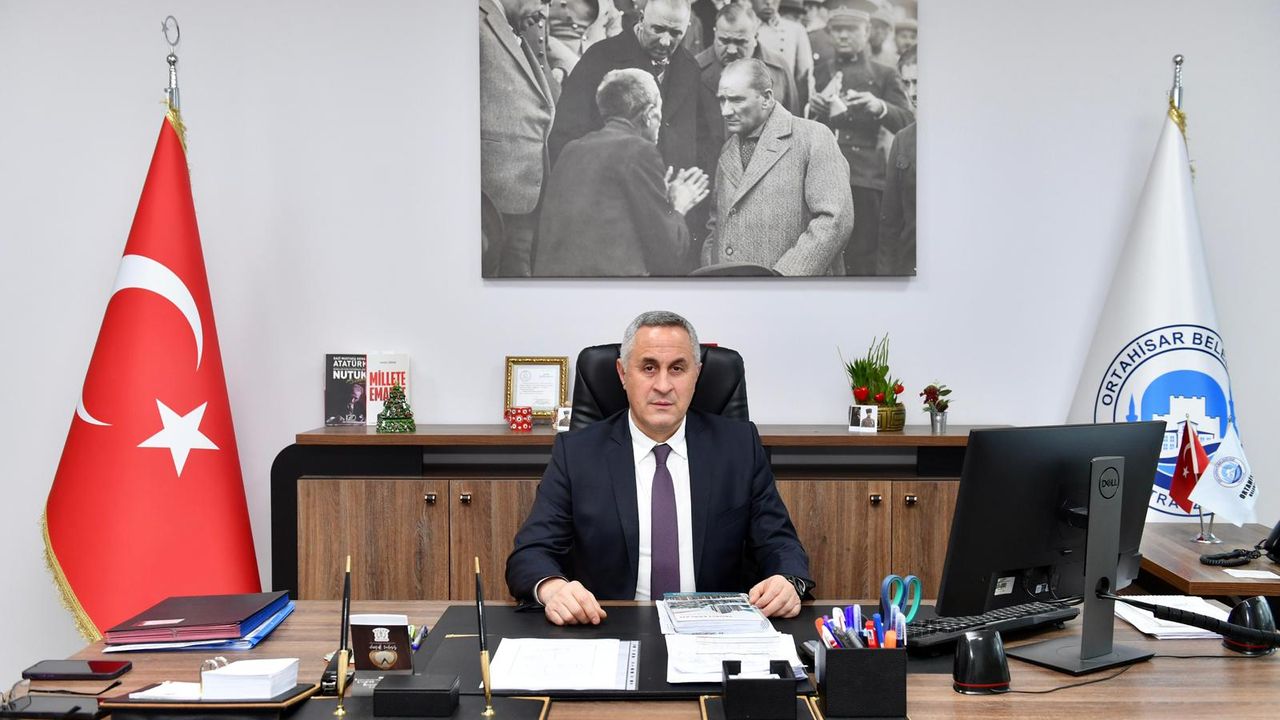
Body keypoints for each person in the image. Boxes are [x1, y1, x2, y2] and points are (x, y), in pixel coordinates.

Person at [506, 311, 814, 625]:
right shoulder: (577, 453)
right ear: (623, 373)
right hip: (607, 625)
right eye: (649, 368)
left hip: (716, 627)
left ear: (696, 374)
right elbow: (531, 553)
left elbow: (780, 543)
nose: (663, 385)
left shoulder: (739, 447)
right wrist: (554, 589)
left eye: (677, 368)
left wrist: (787, 581)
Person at [534, 70, 710, 275]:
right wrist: (678, 207)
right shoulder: (639, 151)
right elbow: (669, 255)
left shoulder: (571, 149)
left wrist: (661, 200)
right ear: (649, 115)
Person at [703, 59, 853, 275]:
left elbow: (835, 221)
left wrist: (784, 277)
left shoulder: (813, 137)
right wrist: (712, 271)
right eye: (722, 100)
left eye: (736, 100)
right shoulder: (728, 149)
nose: (725, 111)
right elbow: (715, 224)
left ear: (766, 98)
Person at [548, 0, 712, 178]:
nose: (665, 41)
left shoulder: (689, 68)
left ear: (686, 28)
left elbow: (703, 137)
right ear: (641, 19)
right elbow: (566, 135)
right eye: (658, 29)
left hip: (673, 189)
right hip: (613, 187)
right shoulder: (600, 57)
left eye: (675, 33)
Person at [808, 7, 912, 274]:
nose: (843, 36)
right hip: (822, 174)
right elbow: (799, 123)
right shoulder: (818, 72)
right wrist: (812, 109)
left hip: (865, 178)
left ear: (866, 32)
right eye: (837, 30)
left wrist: (880, 106)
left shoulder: (884, 74)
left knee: (864, 254)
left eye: (851, 30)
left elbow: (907, 122)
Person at [480, 0, 558, 278]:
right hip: (491, 200)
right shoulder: (472, 19)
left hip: (524, 197)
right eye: (543, 1)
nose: (544, 12)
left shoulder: (514, 26)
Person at [695, 1, 801, 155]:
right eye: (724, 41)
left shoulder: (779, 70)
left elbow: (793, 128)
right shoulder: (696, 69)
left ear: (755, 37)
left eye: (740, 42)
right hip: (712, 165)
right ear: (714, 33)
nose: (731, 50)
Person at [752, 0, 813, 102]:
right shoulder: (744, 28)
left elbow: (804, 75)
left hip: (784, 101)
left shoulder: (795, 30)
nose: (769, 2)